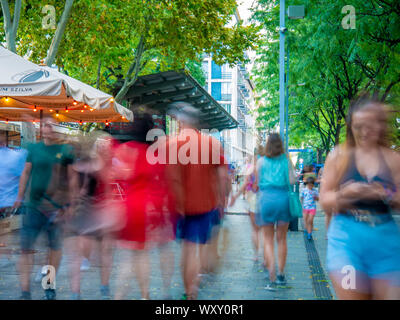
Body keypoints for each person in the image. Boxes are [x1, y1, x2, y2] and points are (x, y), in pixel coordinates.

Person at [320, 94, 400, 299]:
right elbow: (325, 200)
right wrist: (345, 193)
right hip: (347, 241)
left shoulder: (392, 158)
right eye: (358, 126)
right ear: (351, 126)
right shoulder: (339, 156)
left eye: (370, 126)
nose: (364, 132)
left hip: (385, 242)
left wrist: (384, 193)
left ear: (381, 126)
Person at [113, 113, 177, 300]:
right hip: (146, 207)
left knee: (128, 257)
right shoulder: (154, 154)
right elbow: (163, 181)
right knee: (141, 255)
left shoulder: (124, 150)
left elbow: (116, 174)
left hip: (129, 207)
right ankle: (145, 295)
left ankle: (120, 296)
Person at [13, 118, 78, 300]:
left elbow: (72, 177)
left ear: (56, 129)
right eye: (44, 125)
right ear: (41, 129)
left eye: (51, 125)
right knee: (26, 249)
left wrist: (72, 203)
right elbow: (26, 172)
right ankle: (25, 292)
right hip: (33, 206)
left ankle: (49, 286)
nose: (47, 128)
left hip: (56, 208)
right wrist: (19, 196)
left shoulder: (66, 150)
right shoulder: (33, 149)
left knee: (53, 249)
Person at [169, 102, 228, 300]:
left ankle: (188, 290)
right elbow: (222, 176)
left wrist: (177, 204)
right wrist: (222, 200)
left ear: (181, 122)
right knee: (197, 248)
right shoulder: (212, 144)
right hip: (206, 204)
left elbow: (172, 178)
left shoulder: (171, 144)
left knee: (186, 249)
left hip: (181, 207)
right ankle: (193, 289)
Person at [254, 133, 294, 291]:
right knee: (282, 239)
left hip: (266, 200)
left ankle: (271, 276)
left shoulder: (261, 161)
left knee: (268, 240)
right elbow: (292, 180)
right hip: (283, 200)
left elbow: (256, 183)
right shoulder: (286, 160)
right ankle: (281, 274)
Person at [0, 132, 27, 267]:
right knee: (5, 226)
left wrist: (18, 196)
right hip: (8, 198)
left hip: (7, 198)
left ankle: (5, 250)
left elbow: (20, 175)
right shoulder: (15, 155)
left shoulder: (13, 155)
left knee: (5, 226)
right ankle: (5, 251)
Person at [230, 155, 261, 261]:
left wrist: (235, 196)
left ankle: (256, 255)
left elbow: (245, 184)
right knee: (266, 231)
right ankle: (266, 259)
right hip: (266, 199)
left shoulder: (251, 169)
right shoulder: (267, 169)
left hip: (253, 199)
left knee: (255, 230)